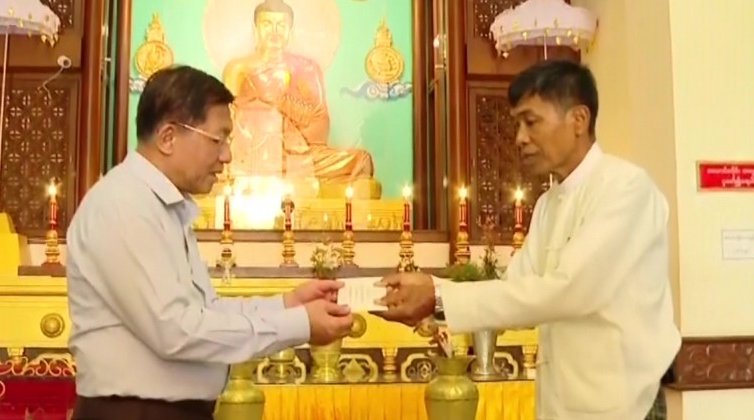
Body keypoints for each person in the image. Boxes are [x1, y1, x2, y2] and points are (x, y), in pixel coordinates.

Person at [373, 60, 681, 420]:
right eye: (517, 124)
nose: (519, 138)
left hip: (626, 405)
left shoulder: (626, 188)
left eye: (531, 122)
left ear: (579, 120)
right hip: (563, 405)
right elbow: (517, 290)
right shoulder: (549, 204)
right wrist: (429, 300)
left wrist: (438, 297)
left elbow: (568, 290)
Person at [66, 65, 354, 420]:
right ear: (168, 137)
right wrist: (300, 325)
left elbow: (205, 313)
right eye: (218, 140)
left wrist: (288, 305)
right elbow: (176, 331)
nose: (228, 156)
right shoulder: (124, 206)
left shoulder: (164, 207)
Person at [221, 0, 375, 184]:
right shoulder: (238, 69)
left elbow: (320, 125)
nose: (274, 32)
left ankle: (274, 167)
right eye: (267, 24)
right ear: (255, 30)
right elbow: (227, 121)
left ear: (290, 32)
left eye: (281, 25)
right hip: (251, 152)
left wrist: (288, 116)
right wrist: (264, 113)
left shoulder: (307, 69)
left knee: (360, 161)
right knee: (221, 165)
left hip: (295, 157)